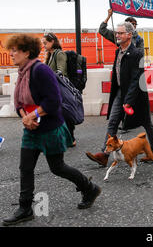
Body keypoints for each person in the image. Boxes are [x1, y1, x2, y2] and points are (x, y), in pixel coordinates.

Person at [2, 34, 101, 226]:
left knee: (58, 167)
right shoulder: (23, 73)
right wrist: (25, 117)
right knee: (25, 167)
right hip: (31, 129)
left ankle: (89, 188)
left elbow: (54, 101)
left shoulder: (41, 71)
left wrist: (34, 115)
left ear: (27, 52)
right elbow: (19, 102)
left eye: (15, 50)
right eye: (11, 50)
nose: (11, 54)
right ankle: (25, 208)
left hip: (50, 129)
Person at [85, 21, 153, 167]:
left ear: (129, 35)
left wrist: (129, 100)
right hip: (120, 92)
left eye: (120, 33)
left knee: (146, 122)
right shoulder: (117, 51)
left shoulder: (137, 54)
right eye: (117, 33)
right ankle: (104, 155)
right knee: (113, 122)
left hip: (136, 95)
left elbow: (136, 79)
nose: (117, 35)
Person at [42, 32, 76, 147]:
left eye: (45, 43)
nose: (44, 45)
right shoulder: (50, 55)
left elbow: (61, 72)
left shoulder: (59, 54)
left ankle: (70, 138)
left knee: (64, 113)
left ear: (52, 42)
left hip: (60, 89)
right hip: (53, 89)